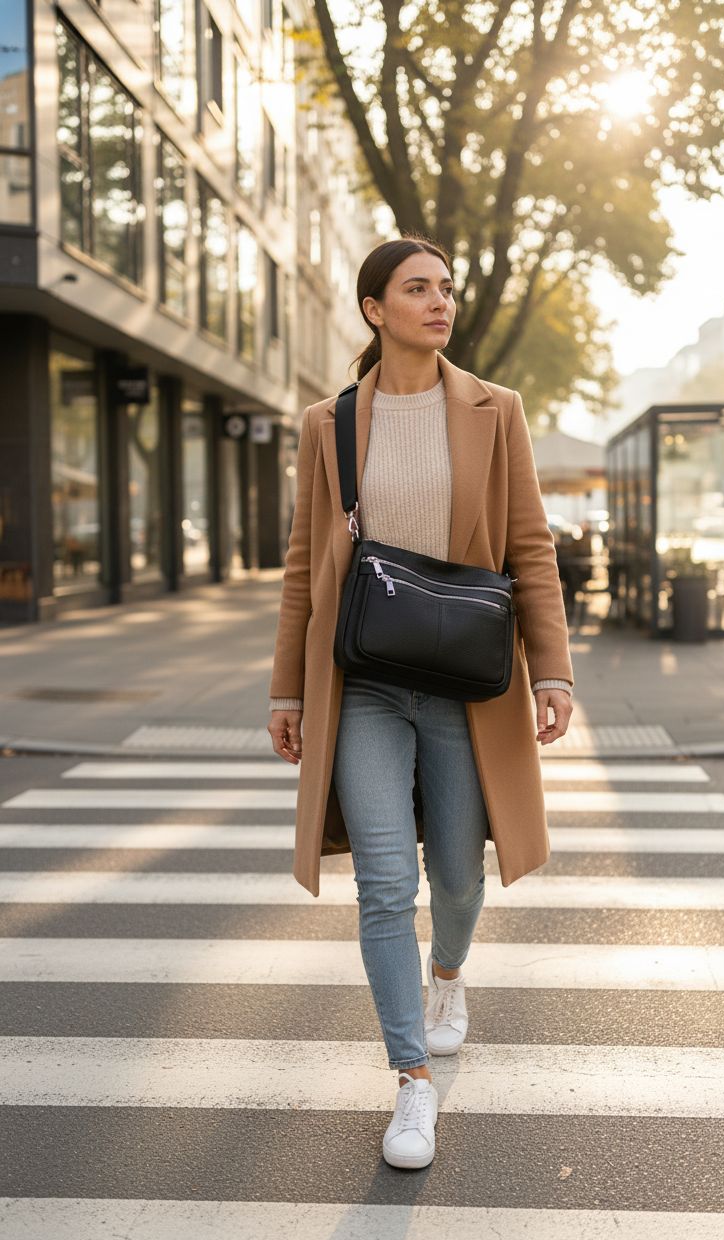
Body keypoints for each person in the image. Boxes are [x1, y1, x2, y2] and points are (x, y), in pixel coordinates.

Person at [267, 234, 574, 1170]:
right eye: (417, 288)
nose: (440, 302)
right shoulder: (330, 422)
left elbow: (530, 544)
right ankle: (412, 1081)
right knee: (386, 886)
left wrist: (553, 669)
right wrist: (288, 687)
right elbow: (301, 564)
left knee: (458, 876)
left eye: (446, 287)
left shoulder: (495, 410)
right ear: (375, 310)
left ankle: (448, 977)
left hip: (466, 682)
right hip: (362, 682)